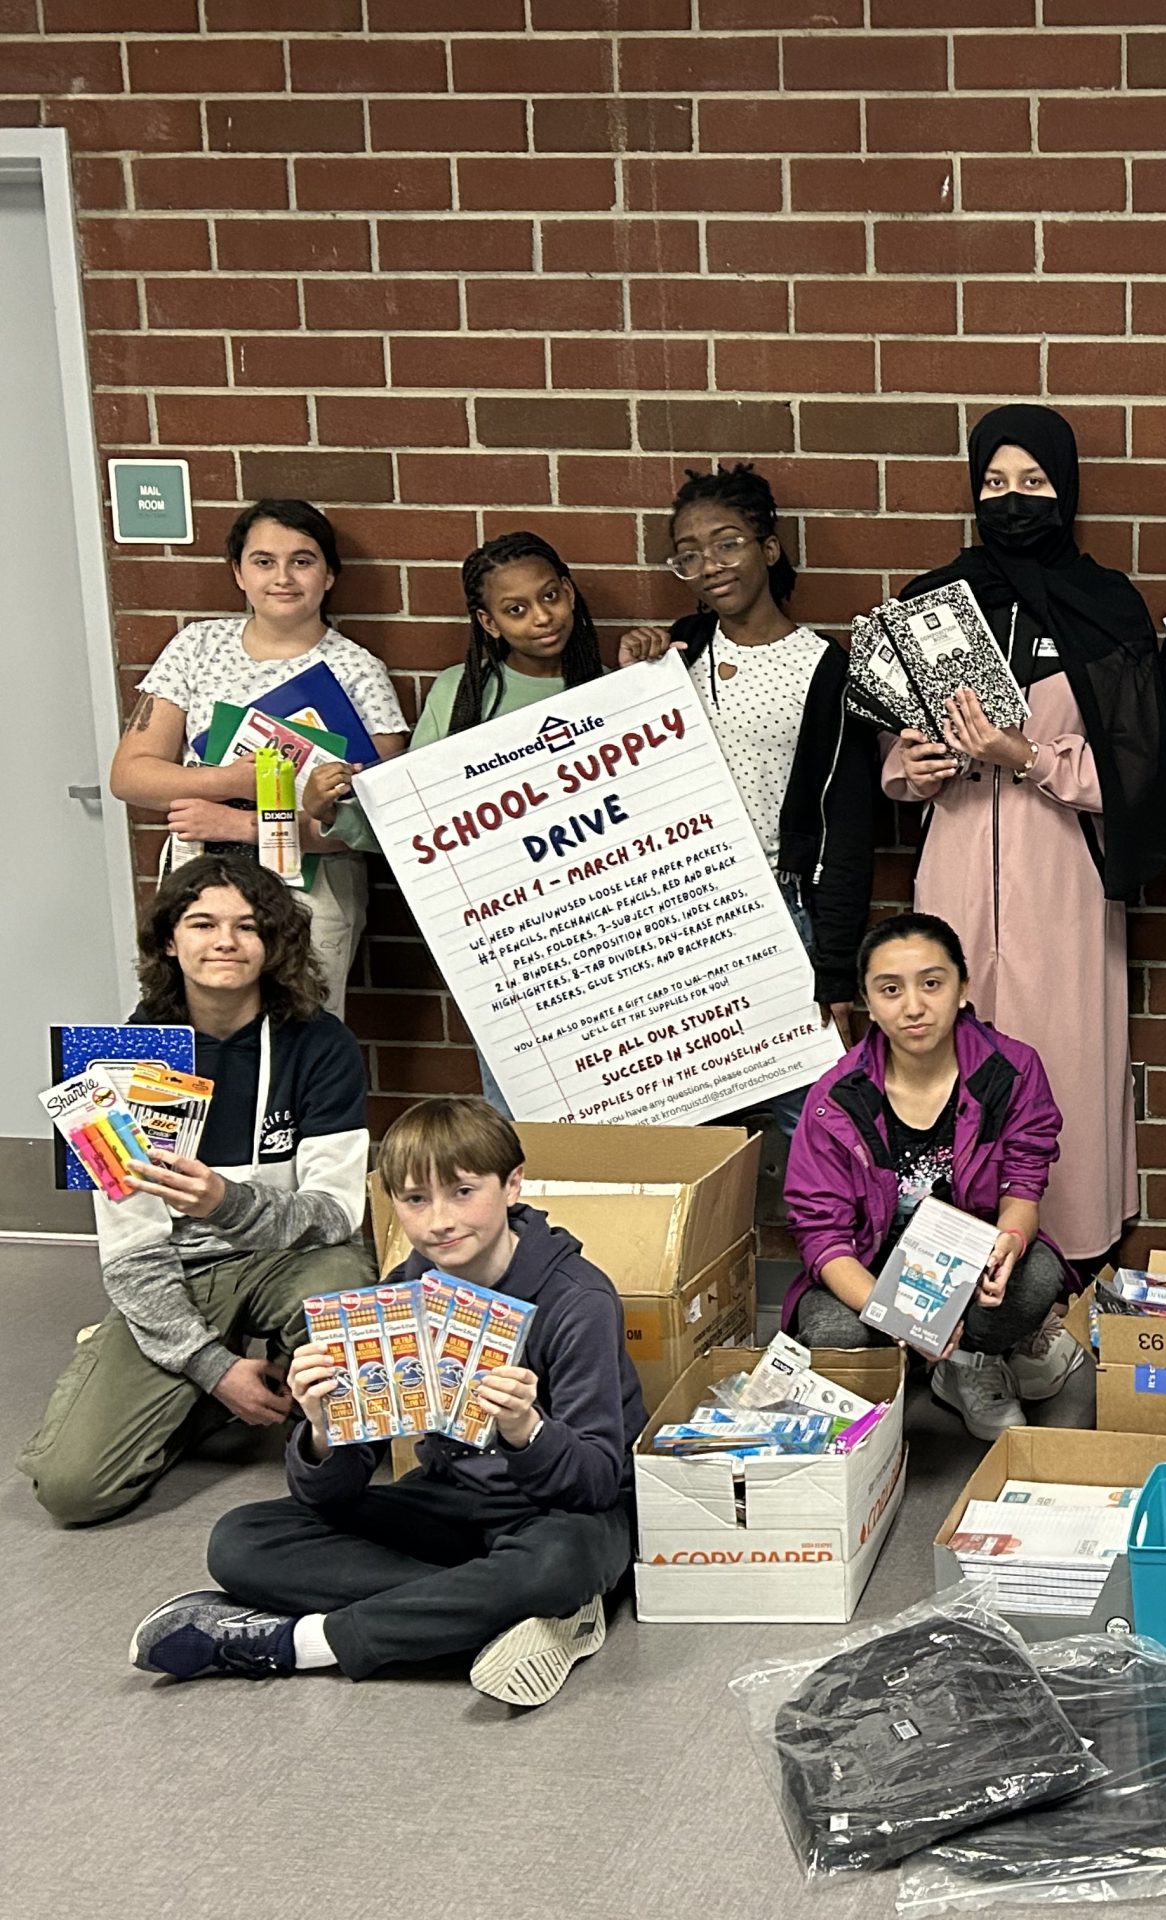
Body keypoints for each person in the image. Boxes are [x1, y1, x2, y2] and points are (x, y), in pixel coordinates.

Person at [128, 1096, 646, 1709]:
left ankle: (304, 1643)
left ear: (512, 1185)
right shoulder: (402, 1290)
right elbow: (330, 1495)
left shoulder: (577, 1298)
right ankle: (501, 1613)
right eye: (415, 1199)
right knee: (241, 1539)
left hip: (563, 1517)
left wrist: (526, 1429)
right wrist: (322, 1430)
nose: (439, 1221)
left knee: (559, 1565)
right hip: (451, 1504)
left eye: (463, 1192)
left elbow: (596, 1482)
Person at [886, 404, 1166, 1266]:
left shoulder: (1105, 606)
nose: (1013, 499)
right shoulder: (932, 604)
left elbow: (1137, 770)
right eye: (995, 482)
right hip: (953, 869)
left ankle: (1066, 1263)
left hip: (1063, 876)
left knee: (1063, 1062)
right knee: (949, 1056)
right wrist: (915, 767)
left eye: (1035, 481)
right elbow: (893, 759)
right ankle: (949, 1268)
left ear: (1067, 489)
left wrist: (1027, 754)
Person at [19, 856, 373, 1526]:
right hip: (176, 1274)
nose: (225, 942)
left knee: (344, 1280)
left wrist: (224, 1204)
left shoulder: (321, 1045)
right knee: (73, 1490)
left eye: (248, 926)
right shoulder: (115, 1061)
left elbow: (334, 1216)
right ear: (168, 941)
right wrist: (213, 1370)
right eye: (203, 923)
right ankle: (204, 1398)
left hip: (288, 1263)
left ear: (273, 943)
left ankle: (321, 1421)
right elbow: (131, 1253)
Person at [335, 531, 609, 1112]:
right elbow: (410, 823)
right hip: (509, 945)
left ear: (570, 591)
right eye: (516, 609)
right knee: (521, 1107)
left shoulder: (616, 688)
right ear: (489, 623)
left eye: (550, 596)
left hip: (611, 930)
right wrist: (332, 811)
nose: (542, 617)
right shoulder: (461, 694)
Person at [783, 913, 1081, 1444]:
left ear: (963, 988)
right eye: (890, 989)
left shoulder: (1011, 1070)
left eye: (932, 983)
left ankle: (970, 1363)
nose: (914, 1006)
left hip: (965, 1268)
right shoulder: (835, 1098)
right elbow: (821, 1235)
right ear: (867, 1001)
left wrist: (1010, 1241)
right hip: (870, 1267)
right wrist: (899, 1316)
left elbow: (1023, 1185)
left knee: (1036, 1276)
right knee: (833, 1334)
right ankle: (903, 1360)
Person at [108, 500, 411, 1017]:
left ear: (329, 575)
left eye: (302, 561)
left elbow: (368, 825)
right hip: (199, 875)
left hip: (310, 886)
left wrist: (241, 823)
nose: (283, 577)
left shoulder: (359, 671)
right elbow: (131, 775)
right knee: (194, 1033)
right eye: (264, 561)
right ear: (238, 573)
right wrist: (232, 781)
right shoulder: (197, 646)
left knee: (301, 1034)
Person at [620, 463, 878, 1052]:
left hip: (778, 906)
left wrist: (835, 970)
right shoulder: (677, 652)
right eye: (689, 555)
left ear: (769, 548)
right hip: (679, 903)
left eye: (727, 544)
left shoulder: (826, 671)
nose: (710, 565)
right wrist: (632, 682)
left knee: (796, 1093)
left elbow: (848, 828)